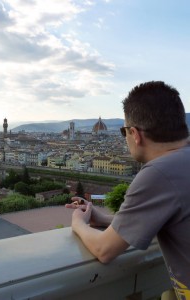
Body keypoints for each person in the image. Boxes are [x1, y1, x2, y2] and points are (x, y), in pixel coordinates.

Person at [66, 81, 190, 299]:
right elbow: (166, 215)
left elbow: (104, 250)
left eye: (124, 131)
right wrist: (104, 219)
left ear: (135, 134)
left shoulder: (158, 174)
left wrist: (78, 222)